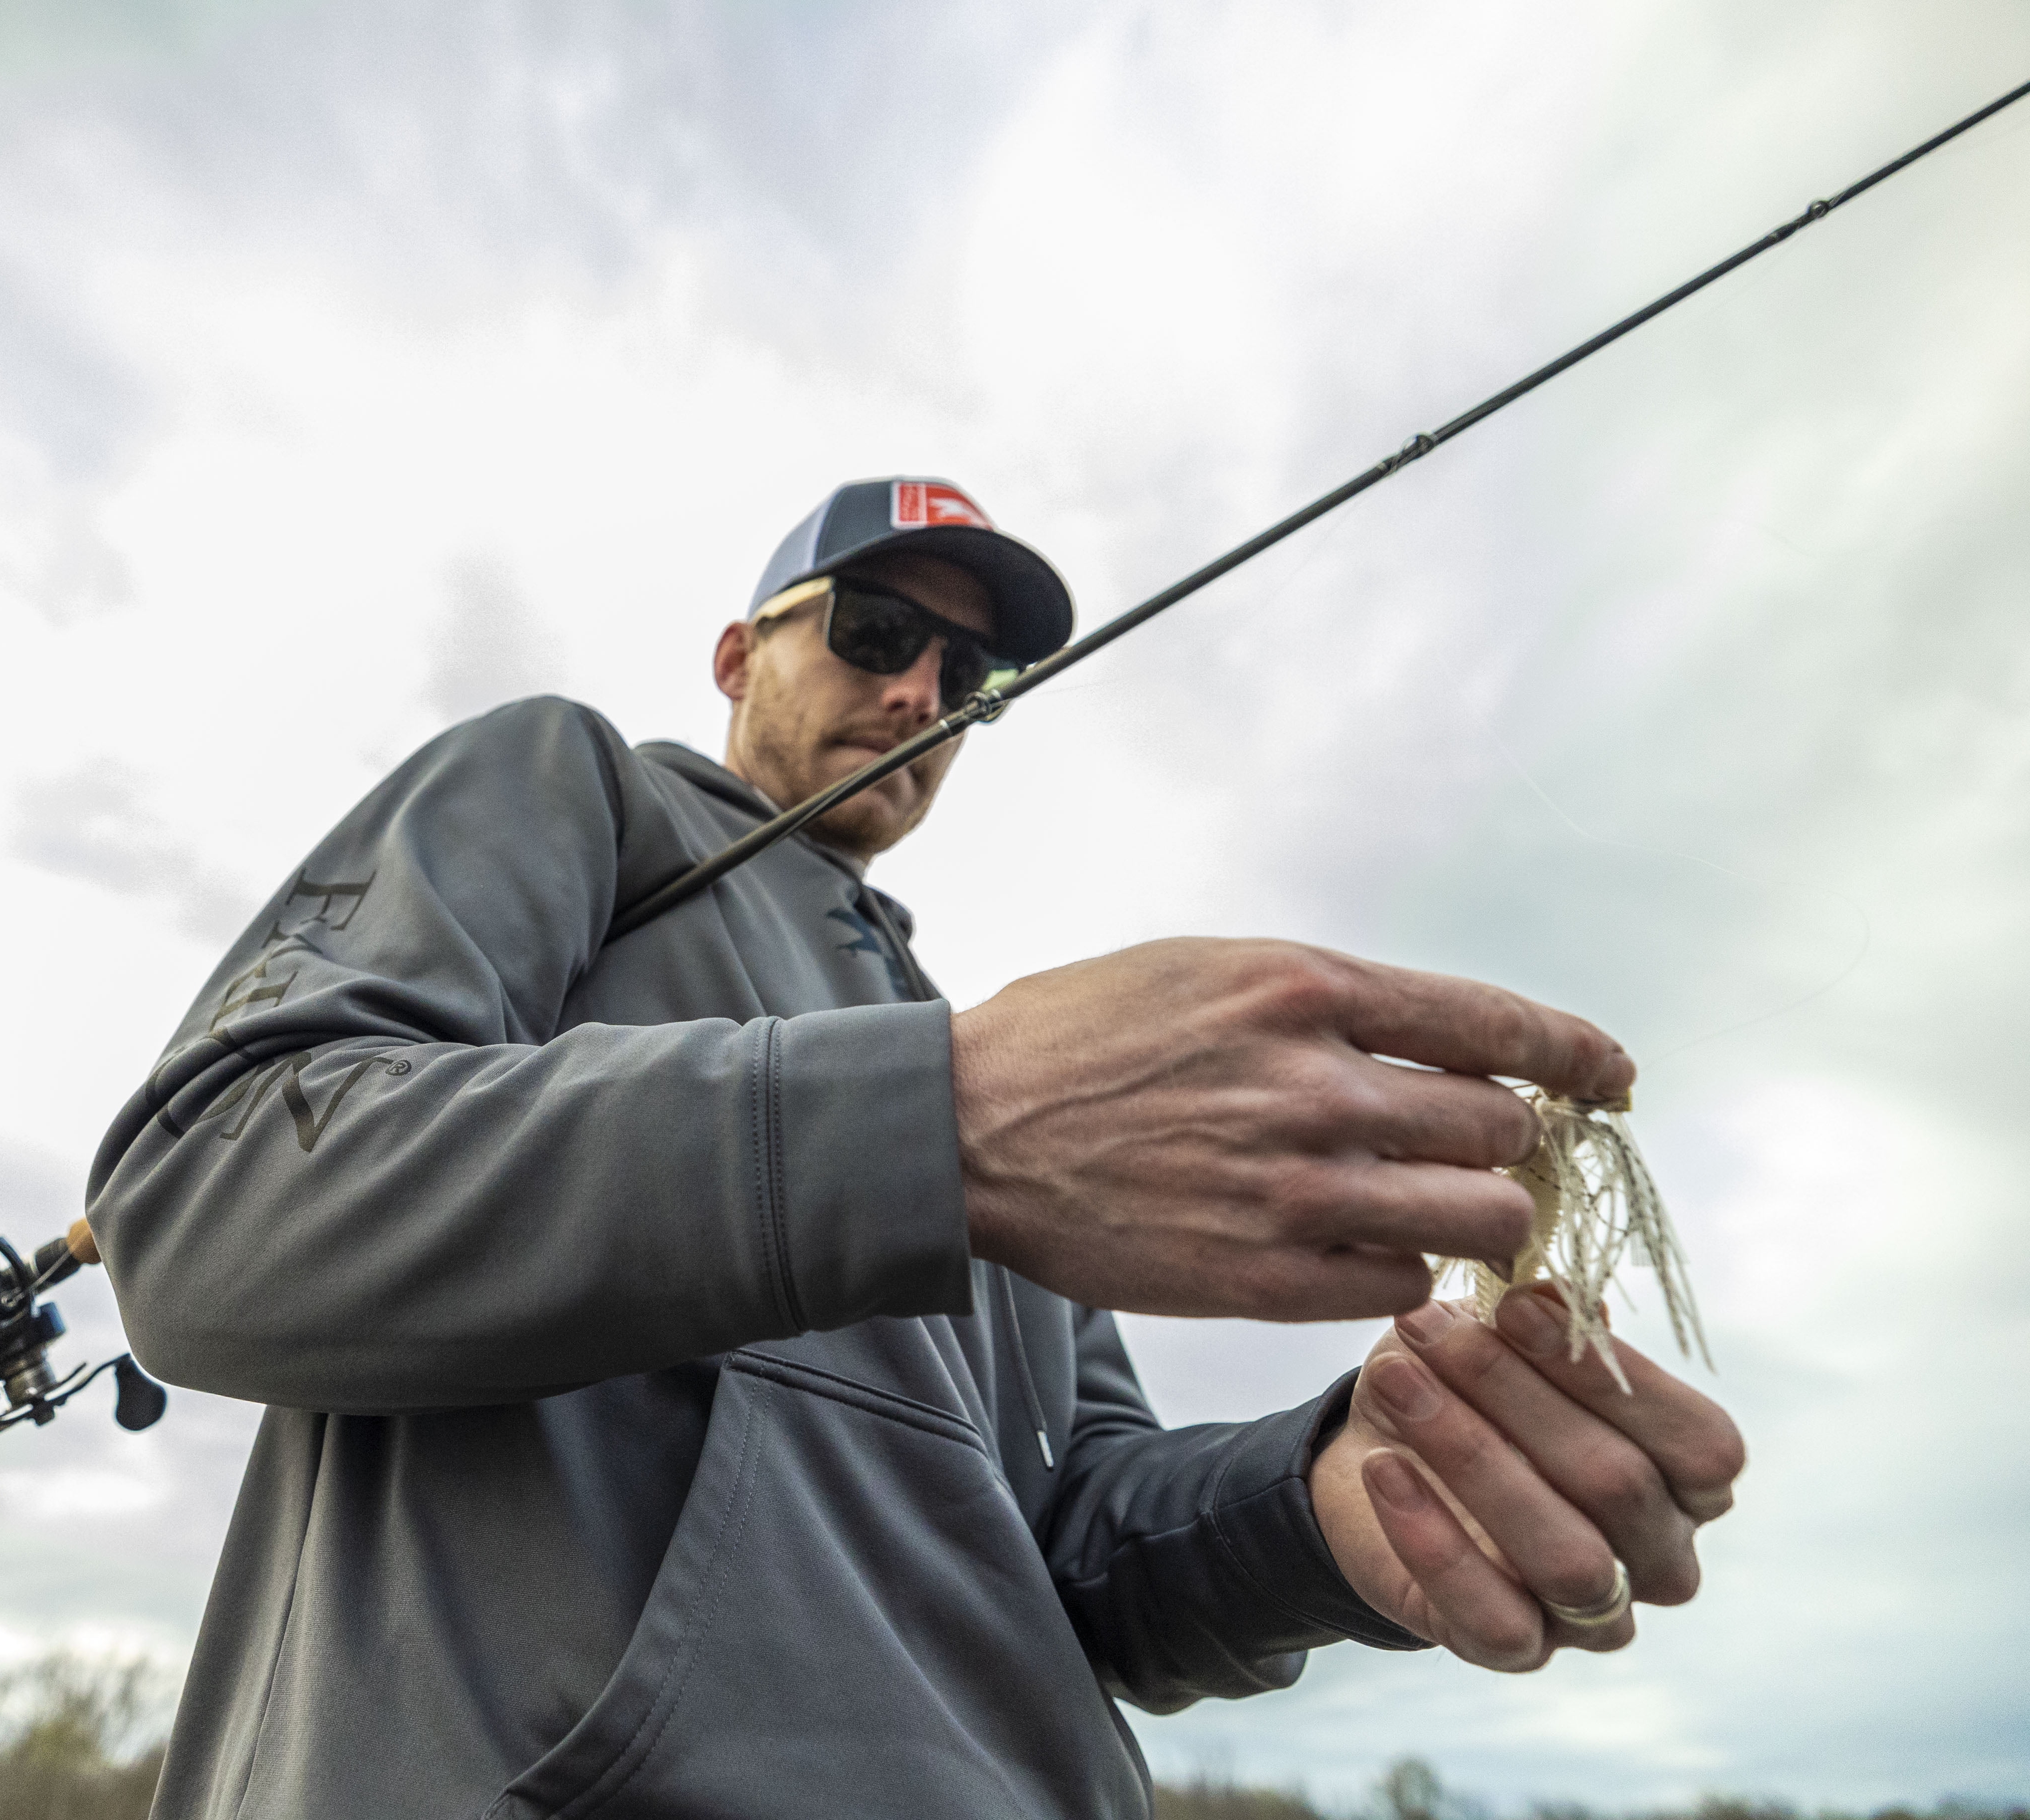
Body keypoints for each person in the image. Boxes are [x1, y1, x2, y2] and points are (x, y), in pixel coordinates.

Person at [87, 477, 1744, 1820]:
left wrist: (1332, 1509)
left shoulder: (1000, 1068)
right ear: (739, 655)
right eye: (877, 632)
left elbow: (1081, 1543)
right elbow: (211, 1196)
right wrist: (942, 1120)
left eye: (975, 681)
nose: (920, 696)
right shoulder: (572, 792)